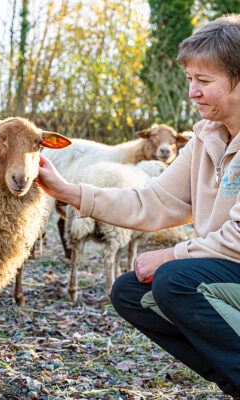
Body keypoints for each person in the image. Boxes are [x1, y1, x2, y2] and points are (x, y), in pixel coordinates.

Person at [36, 14, 240, 399]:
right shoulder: (205, 140)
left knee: (174, 280)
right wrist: (69, 192)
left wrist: (172, 255)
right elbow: (153, 200)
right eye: (189, 81)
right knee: (130, 292)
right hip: (229, 274)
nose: (192, 93)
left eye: (204, 81)